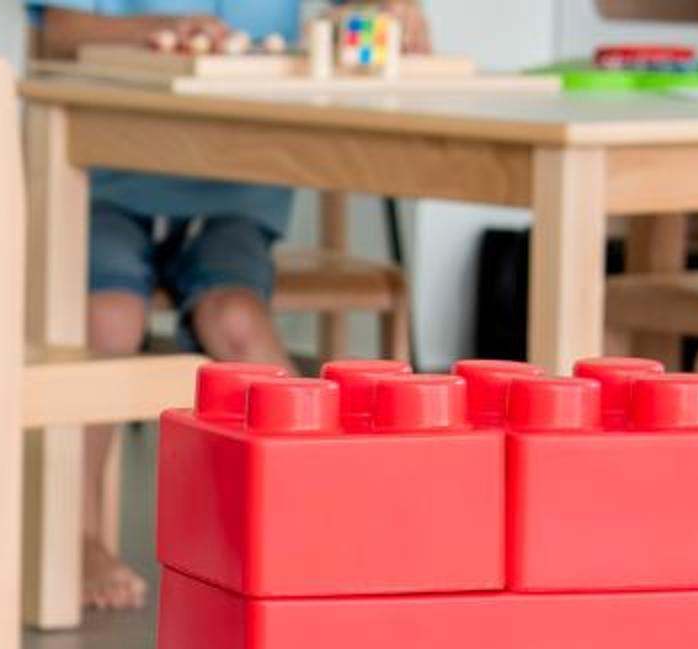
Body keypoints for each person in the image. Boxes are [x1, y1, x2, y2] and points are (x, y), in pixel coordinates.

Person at [31, 3, 427, 609]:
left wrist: (393, 15)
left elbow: (374, 18)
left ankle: (328, 519)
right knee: (107, 321)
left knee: (238, 318)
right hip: (108, 181)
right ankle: (79, 537)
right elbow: (59, 32)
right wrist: (157, 32)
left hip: (235, 192)